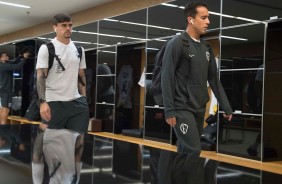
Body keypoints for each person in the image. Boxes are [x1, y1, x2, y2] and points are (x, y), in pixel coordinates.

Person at [159, 1, 233, 184]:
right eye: (204, 17)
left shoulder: (206, 48)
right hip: (181, 108)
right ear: (190, 19)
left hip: (200, 108)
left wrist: (226, 106)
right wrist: (169, 109)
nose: (208, 21)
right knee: (194, 149)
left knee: (184, 149)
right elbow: (166, 77)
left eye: (208, 17)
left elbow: (214, 80)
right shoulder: (177, 44)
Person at [34, 13, 89, 184]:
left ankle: (74, 180)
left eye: (70, 25)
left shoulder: (79, 49)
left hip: (77, 104)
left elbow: (81, 76)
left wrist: (84, 99)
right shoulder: (47, 48)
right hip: (53, 102)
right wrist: (43, 102)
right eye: (64, 25)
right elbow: (40, 77)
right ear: (55, 27)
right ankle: (42, 180)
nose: (67, 28)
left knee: (78, 144)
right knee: (46, 145)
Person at [0, 50, 30, 124]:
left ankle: (2, 128)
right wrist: (25, 58)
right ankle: (3, 129)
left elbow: (13, 63)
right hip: (6, 91)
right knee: (6, 110)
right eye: (5, 56)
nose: (8, 57)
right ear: (1, 58)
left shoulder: (4, 65)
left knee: (3, 109)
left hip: (3, 91)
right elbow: (17, 66)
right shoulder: (3, 65)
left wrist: (19, 56)